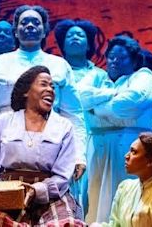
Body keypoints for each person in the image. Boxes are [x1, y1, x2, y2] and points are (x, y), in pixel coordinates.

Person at [0, 5, 87, 185]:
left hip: (51, 136)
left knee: (51, 197)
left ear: (45, 31)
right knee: (1, 201)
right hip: (5, 138)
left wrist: (79, 155)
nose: (30, 26)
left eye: (36, 22)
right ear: (15, 31)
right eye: (24, 22)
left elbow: (73, 114)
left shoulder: (60, 65)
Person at [0, 65, 83, 226]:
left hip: (50, 194)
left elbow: (63, 175)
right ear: (26, 91)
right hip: (8, 192)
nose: (50, 90)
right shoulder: (5, 121)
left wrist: (38, 190)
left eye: (52, 86)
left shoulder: (63, 126)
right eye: (43, 84)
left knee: (64, 223)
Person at [83, 35, 152, 222]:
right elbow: (80, 96)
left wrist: (95, 108)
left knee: (121, 196)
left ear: (133, 61)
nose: (114, 62)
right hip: (97, 148)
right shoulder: (97, 76)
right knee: (93, 197)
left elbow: (125, 105)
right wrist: (112, 94)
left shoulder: (144, 76)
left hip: (127, 146)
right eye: (111, 57)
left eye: (121, 58)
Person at [54, 18, 106, 216]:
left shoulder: (100, 75)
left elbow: (104, 106)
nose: (75, 38)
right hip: (58, 136)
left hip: (93, 138)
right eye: (70, 35)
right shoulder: (54, 70)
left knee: (90, 187)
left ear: (89, 43)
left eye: (80, 35)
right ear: (62, 43)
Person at [90, 132, 152, 227]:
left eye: (134, 152)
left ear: (150, 161)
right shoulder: (125, 188)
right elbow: (115, 225)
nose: (126, 156)